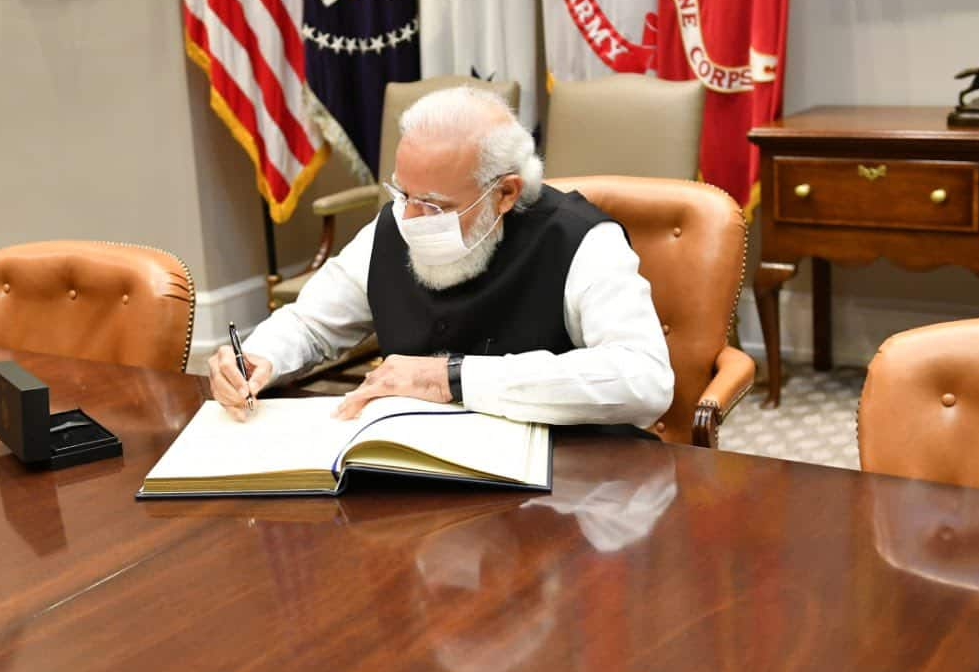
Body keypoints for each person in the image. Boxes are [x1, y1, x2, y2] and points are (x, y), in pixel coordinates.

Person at [208, 85, 674, 427]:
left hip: (556, 483)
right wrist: (256, 356)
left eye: (435, 205)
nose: (410, 217)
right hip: (413, 469)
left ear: (506, 193)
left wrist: (453, 378)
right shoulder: (393, 224)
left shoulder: (582, 241)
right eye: (403, 192)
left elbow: (644, 379)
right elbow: (310, 322)